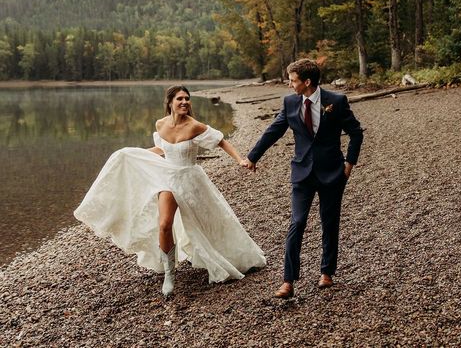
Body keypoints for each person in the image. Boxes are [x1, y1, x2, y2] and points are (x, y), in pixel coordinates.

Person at [74, 85, 266, 297]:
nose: (184, 102)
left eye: (187, 98)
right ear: (170, 102)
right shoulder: (160, 124)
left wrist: (240, 160)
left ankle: (231, 255)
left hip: (191, 180)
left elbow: (222, 142)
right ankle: (169, 274)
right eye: (179, 99)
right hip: (166, 178)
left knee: (210, 223)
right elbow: (163, 150)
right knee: (164, 224)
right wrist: (135, 156)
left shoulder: (195, 126)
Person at [242, 58, 363, 298]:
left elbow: (356, 132)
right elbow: (274, 131)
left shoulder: (336, 101)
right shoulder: (290, 103)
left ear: (307, 82)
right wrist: (253, 157)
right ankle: (288, 281)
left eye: (293, 80)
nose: (290, 84)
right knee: (297, 223)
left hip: (332, 173)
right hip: (302, 173)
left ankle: (326, 273)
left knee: (330, 223)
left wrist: (349, 164)